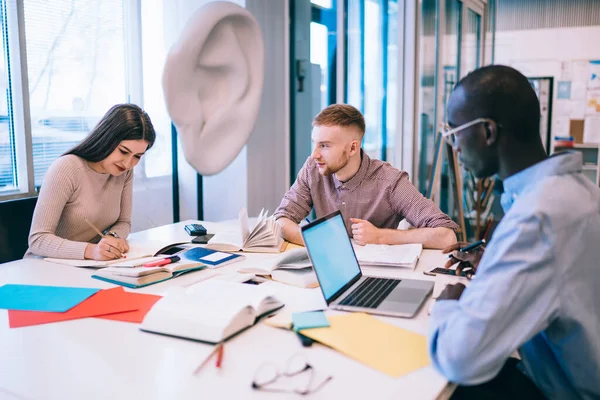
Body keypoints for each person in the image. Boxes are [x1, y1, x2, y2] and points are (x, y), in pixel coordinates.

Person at [429, 65, 600, 399]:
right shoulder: (579, 190)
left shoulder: (538, 217)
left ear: (488, 132)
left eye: (454, 133)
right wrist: (496, 263)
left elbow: (458, 358)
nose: (455, 148)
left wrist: (446, 305)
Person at [274, 104, 457, 249]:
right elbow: (282, 219)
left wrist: (380, 236)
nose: (314, 154)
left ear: (353, 147)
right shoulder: (313, 168)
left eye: (325, 146)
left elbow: (446, 236)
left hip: (378, 276)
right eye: (315, 144)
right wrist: (319, 244)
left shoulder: (390, 182)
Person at [26, 104, 156, 261]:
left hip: (89, 266)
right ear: (107, 138)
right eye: (123, 151)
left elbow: (124, 222)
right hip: (44, 267)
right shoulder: (67, 168)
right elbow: (38, 240)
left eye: (137, 156)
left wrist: (112, 237)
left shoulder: (124, 172)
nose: (128, 163)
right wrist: (90, 251)